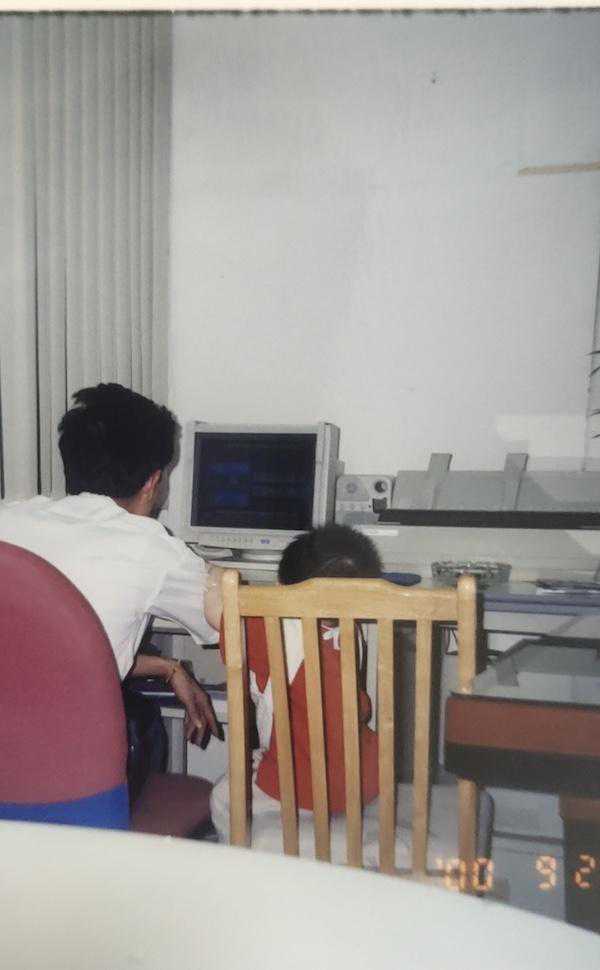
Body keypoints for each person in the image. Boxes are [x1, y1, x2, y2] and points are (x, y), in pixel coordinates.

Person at [0, 383, 224, 796]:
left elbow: (43, 656)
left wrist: (169, 667)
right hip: (68, 778)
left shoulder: (8, 519)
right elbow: (234, 620)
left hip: (9, 758)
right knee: (143, 719)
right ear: (153, 481)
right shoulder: (151, 546)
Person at [210, 523, 382, 847]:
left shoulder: (269, 628)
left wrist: (217, 579)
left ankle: (237, 860)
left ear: (281, 589)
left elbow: (216, 613)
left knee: (223, 796)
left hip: (299, 787)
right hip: (365, 778)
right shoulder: (352, 629)